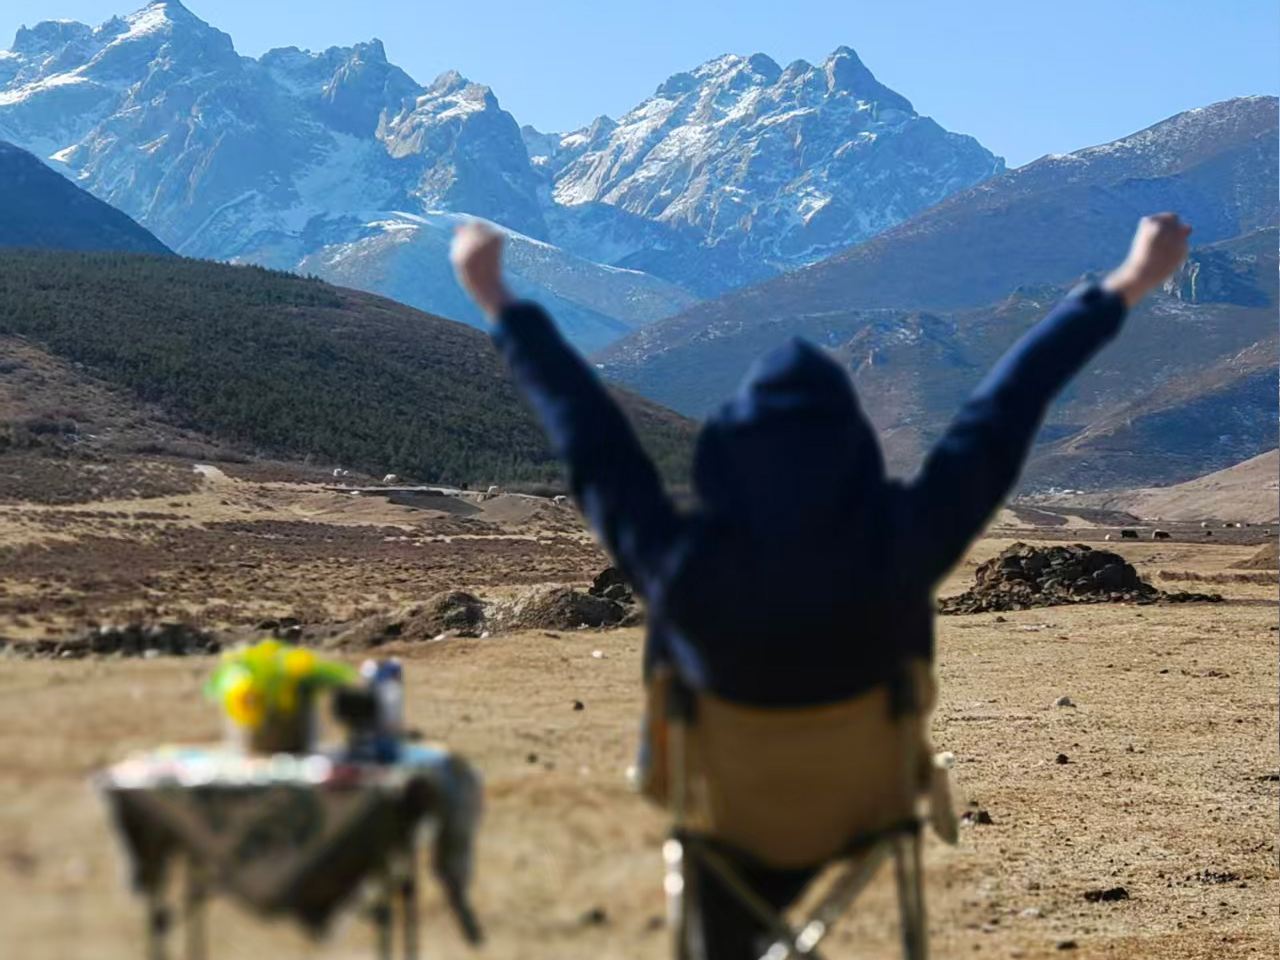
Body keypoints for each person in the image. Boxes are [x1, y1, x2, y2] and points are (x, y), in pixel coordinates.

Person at [450, 213, 1191, 958]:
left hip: (724, 814)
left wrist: (497, 299)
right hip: (864, 809)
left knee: (719, 905)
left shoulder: (680, 556)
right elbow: (1006, 408)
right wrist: (1129, 281)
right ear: (851, 447)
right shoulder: (900, 539)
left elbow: (590, 435)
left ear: (729, 453)